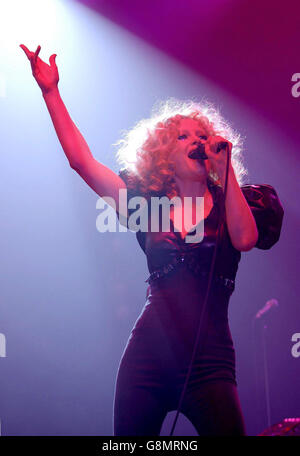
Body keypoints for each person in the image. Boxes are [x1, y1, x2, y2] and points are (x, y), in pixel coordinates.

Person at [20, 44, 284, 436]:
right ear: (164, 154)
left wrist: (225, 170)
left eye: (202, 135)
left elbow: (245, 239)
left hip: (210, 362)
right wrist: (51, 93)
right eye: (183, 137)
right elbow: (82, 162)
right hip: (148, 357)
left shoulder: (238, 203)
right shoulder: (147, 207)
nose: (196, 141)